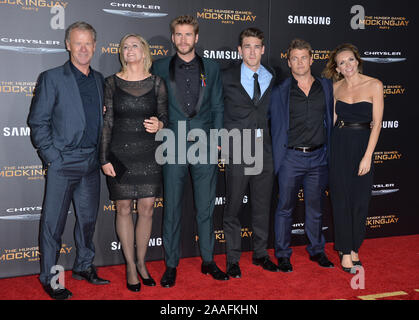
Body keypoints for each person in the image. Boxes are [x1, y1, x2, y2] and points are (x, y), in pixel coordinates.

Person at [28, 21, 109, 300]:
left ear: (95, 46)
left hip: (90, 163)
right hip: (63, 162)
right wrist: (53, 157)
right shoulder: (52, 78)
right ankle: (51, 279)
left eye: (88, 43)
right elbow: (38, 122)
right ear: (68, 45)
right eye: (78, 42)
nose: (84, 48)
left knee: (87, 221)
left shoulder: (99, 79)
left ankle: (84, 266)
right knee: (54, 224)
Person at [152, 15, 227, 287]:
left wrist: (218, 139)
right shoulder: (159, 67)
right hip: (172, 144)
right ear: (173, 38)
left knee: (205, 208)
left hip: (205, 144)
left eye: (188, 35)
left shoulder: (212, 67)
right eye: (178, 35)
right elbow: (152, 102)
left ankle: (208, 260)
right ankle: (171, 265)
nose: (183, 40)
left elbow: (218, 105)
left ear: (196, 38)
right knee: (171, 208)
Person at [99, 34, 168, 291]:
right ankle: (129, 265)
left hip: (150, 154)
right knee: (124, 208)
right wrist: (104, 157)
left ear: (144, 51)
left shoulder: (157, 82)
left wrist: (160, 125)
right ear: (121, 52)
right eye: (125, 46)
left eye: (134, 46)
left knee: (148, 208)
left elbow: (165, 117)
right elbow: (106, 123)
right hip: (119, 153)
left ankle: (141, 262)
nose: (129, 50)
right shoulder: (111, 83)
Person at [269, 39, 335, 272]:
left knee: (315, 207)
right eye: (294, 58)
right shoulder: (279, 92)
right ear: (288, 62)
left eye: (303, 57)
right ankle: (283, 254)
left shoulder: (326, 87)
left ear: (311, 59)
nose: (299, 62)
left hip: (319, 158)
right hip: (290, 158)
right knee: (285, 207)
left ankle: (317, 250)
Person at [222, 27, 279, 278]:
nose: (252, 51)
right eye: (247, 46)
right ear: (239, 49)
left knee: (261, 205)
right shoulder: (226, 76)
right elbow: (215, 110)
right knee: (233, 207)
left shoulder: (273, 76)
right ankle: (233, 259)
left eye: (257, 46)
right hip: (237, 148)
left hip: (264, 150)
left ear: (263, 49)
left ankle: (260, 254)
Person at [323, 43, 383, 273]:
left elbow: (376, 124)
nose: (347, 65)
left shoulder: (374, 85)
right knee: (340, 199)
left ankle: (354, 246)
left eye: (350, 60)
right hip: (339, 145)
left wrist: (368, 156)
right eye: (341, 62)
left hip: (362, 146)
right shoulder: (335, 88)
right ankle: (345, 251)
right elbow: (333, 121)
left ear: (357, 61)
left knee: (359, 201)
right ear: (337, 68)